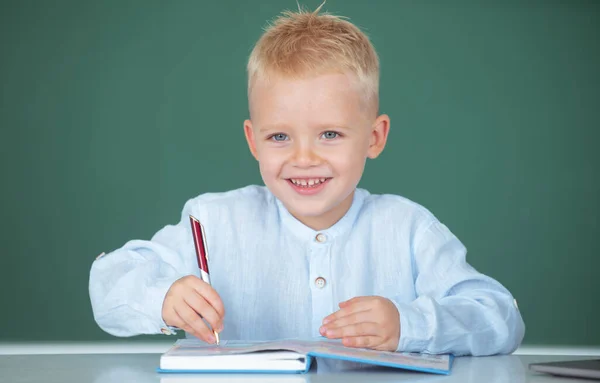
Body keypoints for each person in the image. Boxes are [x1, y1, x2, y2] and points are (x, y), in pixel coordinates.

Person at [89, 5, 525, 356]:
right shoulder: (213, 221)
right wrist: (163, 297)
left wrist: (407, 324)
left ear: (375, 137)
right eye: (279, 136)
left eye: (330, 134)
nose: (303, 158)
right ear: (253, 141)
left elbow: (500, 317)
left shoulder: (409, 229)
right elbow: (107, 286)